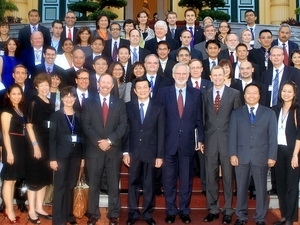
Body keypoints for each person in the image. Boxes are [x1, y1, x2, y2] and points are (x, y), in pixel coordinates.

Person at [157, 62, 204, 224]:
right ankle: (170, 211)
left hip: (187, 144)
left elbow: (199, 119)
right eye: (179, 74)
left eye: (185, 74)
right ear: (173, 75)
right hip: (168, 144)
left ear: (189, 75)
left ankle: (184, 210)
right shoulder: (163, 93)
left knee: (186, 180)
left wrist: (200, 140)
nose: (182, 76)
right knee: (168, 180)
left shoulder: (196, 94)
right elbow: (158, 119)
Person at [228, 83, 277, 225]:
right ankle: (241, 216)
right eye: (248, 93)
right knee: (241, 188)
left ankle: (260, 217)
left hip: (261, 156)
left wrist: (272, 156)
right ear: (244, 95)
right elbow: (232, 135)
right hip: (241, 156)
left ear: (259, 95)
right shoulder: (236, 113)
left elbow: (272, 137)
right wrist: (232, 154)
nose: (251, 95)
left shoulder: (269, 113)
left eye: (254, 93)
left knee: (261, 189)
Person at [81, 74, 127, 225]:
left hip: (113, 150)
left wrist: (109, 141)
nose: (106, 85)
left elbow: (123, 125)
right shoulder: (88, 102)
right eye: (103, 82)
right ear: (98, 84)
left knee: (114, 184)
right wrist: (98, 141)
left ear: (113, 85)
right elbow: (86, 124)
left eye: (109, 83)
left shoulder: (120, 103)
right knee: (93, 184)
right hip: (94, 150)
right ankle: (93, 214)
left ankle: (113, 214)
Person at [202, 66, 241, 224]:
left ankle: (227, 210)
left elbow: (238, 120)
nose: (217, 77)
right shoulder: (205, 94)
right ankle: (213, 209)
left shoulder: (235, 94)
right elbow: (204, 118)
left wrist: (237, 143)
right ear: (210, 77)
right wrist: (202, 140)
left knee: (227, 177)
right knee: (210, 178)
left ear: (225, 76)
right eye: (214, 75)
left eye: (220, 75)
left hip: (228, 142)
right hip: (210, 141)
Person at [124, 76, 165, 225]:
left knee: (149, 185)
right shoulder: (128, 106)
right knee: (133, 184)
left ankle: (147, 214)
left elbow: (161, 132)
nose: (142, 90)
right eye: (139, 88)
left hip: (151, 153)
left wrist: (160, 155)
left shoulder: (158, 107)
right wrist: (125, 152)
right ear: (134, 90)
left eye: (145, 87)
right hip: (133, 152)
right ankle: (133, 214)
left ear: (150, 89)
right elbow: (126, 131)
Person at [49, 86, 83, 225]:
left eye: (72, 96)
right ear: (62, 98)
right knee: (60, 186)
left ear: (75, 98)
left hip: (75, 156)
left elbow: (82, 138)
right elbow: (51, 139)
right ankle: (58, 218)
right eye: (66, 96)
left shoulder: (79, 115)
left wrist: (82, 158)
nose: (69, 99)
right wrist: (52, 158)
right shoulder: (56, 115)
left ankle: (69, 214)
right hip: (60, 156)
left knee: (70, 185)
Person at [25, 73, 55, 222]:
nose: (45, 87)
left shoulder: (50, 102)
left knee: (44, 178)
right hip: (35, 145)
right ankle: (31, 210)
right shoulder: (33, 102)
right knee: (34, 179)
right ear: (36, 86)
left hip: (48, 144)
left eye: (47, 85)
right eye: (42, 85)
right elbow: (29, 126)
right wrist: (35, 145)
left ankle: (39, 207)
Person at [272, 81, 300, 225]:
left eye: (289, 91)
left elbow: (299, 135)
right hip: (278, 151)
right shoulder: (276, 110)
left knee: (291, 186)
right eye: (284, 91)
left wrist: (295, 155)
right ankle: (283, 215)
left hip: (292, 152)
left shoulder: (297, 110)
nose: (286, 94)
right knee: (281, 185)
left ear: (294, 93)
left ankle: (290, 217)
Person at [1, 84, 26, 223]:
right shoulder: (6, 110)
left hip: (19, 146)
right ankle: (9, 211)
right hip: (11, 147)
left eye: (19, 93)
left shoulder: (19, 110)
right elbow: (5, 133)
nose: (17, 96)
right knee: (8, 179)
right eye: (14, 94)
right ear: (8, 95)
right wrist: (9, 152)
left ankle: (9, 209)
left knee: (13, 180)